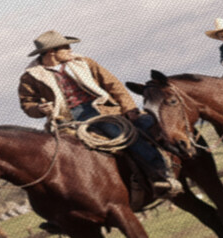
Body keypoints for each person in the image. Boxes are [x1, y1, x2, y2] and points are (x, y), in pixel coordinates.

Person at [18, 30, 182, 197]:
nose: (70, 50)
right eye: (65, 47)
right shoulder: (30, 77)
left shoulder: (84, 63)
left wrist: (129, 108)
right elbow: (27, 103)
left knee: (123, 136)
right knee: (51, 160)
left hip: (100, 110)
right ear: (52, 52)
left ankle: (162, 173)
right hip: (64, 120)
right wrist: (39, 109)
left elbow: (113, 85)